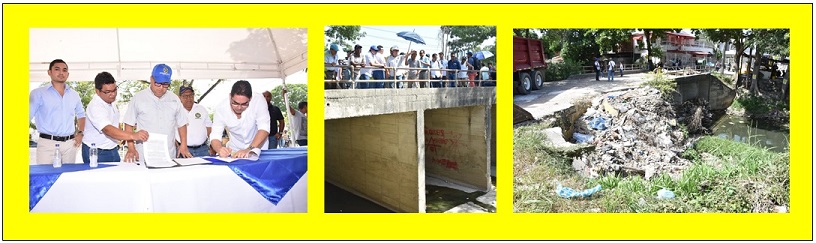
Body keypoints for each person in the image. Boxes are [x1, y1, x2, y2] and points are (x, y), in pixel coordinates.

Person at [123, 64, 192, 163]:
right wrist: (131, 147)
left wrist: (184, 145)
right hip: (145, 154)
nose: (161, 88)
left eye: (165, 85)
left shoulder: (174, 99)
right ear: (151, 79)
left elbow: (182, 123)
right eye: (157, 84)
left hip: (168, 154)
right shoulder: (138, 98)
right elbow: (128, 124)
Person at [82, 72, 150, 163]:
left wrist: (128, 145)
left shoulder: (111, 101)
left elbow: (113, 123)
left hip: (112, 148)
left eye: (114, 90)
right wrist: (133, 135)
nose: (113, 94)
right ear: (97, 91)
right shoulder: (95, 106)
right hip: (96, 151)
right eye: (107, 92)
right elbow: (107, 129)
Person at [30, 59, 86, 164]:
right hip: (47, 144)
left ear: (68, 74)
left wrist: (81, 133)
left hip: (70, 144)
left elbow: (81, 115)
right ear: (49, 72)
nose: (61, 73)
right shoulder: (38, 93)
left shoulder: (74, 94)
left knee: (67, 178)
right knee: (46, 177)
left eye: (64, 70)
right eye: (57, 69)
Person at [209, 81, 271, 158]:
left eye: (244, 104)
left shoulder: (259, 100)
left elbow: (264, 128)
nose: (239, 107)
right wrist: (219, 149)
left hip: (258, 148)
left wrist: (249, 149)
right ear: (230, 96)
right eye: (235, 103)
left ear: (250, 99)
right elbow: (215, 135)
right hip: (234, 151)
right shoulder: (221, 109)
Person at [176, 85, 212, 157]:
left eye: (191, 95)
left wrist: (212, 146)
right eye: (185, 96)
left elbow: (209, 128)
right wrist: (177, 146)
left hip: (203, 149)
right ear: (179, 98)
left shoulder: (201, 109)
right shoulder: (176, 110)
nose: (188, 99)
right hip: (183, 150)